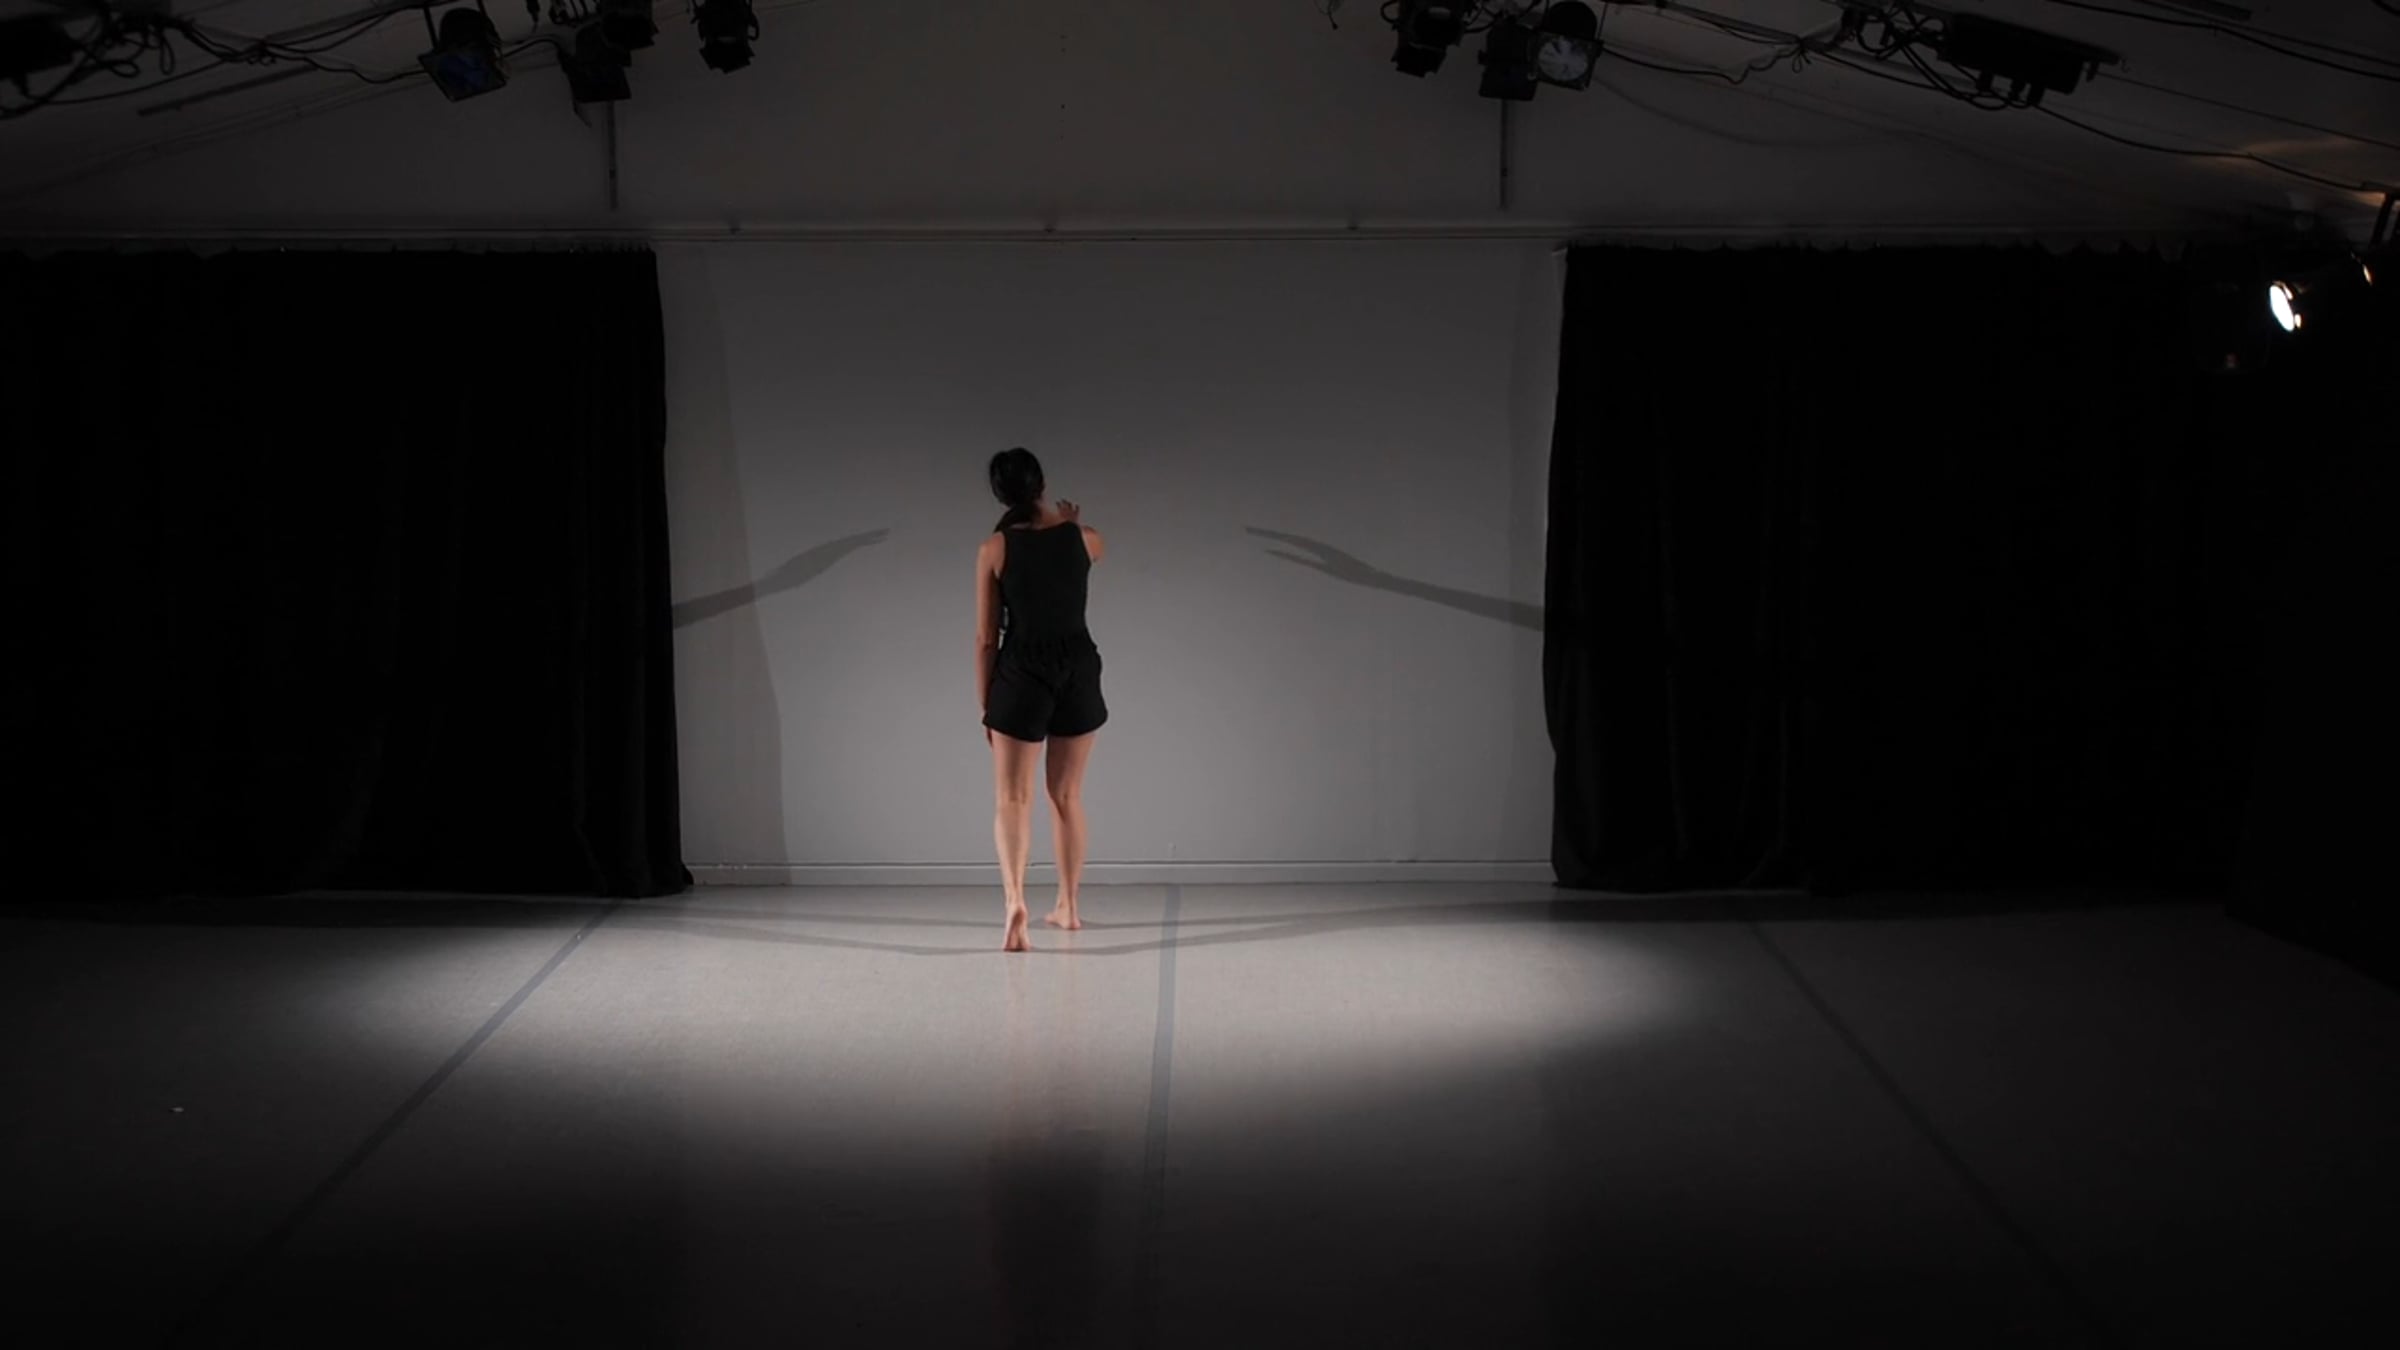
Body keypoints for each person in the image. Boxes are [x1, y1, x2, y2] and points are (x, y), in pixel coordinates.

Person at [975, 448, 1108, 952]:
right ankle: (1068, 907)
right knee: (1067, 796)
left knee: (1013, 798)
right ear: (1043, 483)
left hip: (1021, 674)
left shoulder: (994, 549)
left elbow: (986, 639)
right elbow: (1083, 552)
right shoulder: (1084, 538)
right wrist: (1068, 523)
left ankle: (1015, 902)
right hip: (1078, 668)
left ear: (1000, 494)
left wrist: (987, 704)